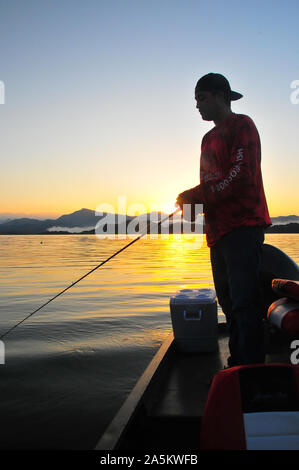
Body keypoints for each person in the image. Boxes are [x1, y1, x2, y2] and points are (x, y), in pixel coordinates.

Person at [176, 73, 272, 367]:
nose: (197, 106)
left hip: (244, 227)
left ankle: (251, 370)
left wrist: (196, 194)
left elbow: (240, 176)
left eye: (201, 98)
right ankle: (238, 363)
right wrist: (189, 201)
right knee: (229, 303)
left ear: (220, 96)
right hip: (217, 234)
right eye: (195, 100)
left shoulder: (242, 126)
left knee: (245, 302)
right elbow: (210, 181)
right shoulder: (207, 139)